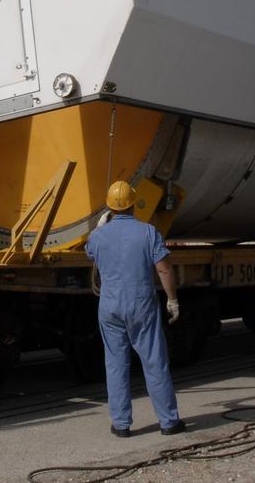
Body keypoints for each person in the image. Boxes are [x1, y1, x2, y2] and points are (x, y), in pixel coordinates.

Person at [84, 180, 186, 437]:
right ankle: (168, 422)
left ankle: (121, 425)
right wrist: (172, 299)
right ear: (133, 204)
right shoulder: (148, 232)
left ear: (109, 207)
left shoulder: (97, 237)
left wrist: (99, 228)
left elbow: (91, 252)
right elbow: (163, 268)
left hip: (109, 307)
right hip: (141, 305)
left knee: (116, 364)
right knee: (154, 361)